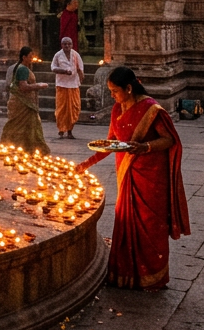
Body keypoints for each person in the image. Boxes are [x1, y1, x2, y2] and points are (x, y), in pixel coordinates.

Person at [78, 66, 190, 290]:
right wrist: (84, 165)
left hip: (151, 177)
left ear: (129, 88)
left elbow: (169, 140)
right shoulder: (117, 109)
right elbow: (110, 144)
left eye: (115, 91)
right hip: (127, 173)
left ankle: (153, 277)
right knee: (126, 220)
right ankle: (126, 274)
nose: (112, 96)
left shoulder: (151, 109)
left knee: (150, 225)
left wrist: (145, 147)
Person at [0, 46, 50, 153]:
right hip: (22, 103)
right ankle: (26, 148)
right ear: (24, 57)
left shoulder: (22, 68)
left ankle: (17, 147)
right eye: (30, 56)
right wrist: (39, 86)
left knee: (22, 126)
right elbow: (23, 87)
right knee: (22, 126)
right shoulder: (22, 69)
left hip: (20, 102)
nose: (32, 58)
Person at [51, 36, 84, 139]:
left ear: (72, 45)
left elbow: (80, 68)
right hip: (62, 85)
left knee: (74, 108)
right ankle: (61, 130)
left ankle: (70, 131)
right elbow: (53, 68)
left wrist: (81, 76)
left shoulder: (75, 54)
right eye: (65, 44)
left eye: (69, 44)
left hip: (73, 84)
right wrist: (64, 71)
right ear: (62, 45)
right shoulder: (58, 55)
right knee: (61, 109)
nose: (67, 46)